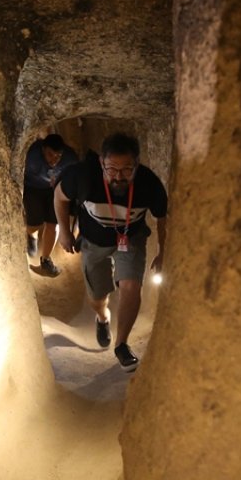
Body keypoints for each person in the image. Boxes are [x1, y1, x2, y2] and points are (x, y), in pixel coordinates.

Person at [55, 133, 167, 372]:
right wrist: (64, 232)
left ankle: (121, 345)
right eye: (111, 169)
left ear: (137, 164)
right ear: (101, 164)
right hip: (94, 241)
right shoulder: (84, 176)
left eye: (127, 169)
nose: (118, 176)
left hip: (131, 238)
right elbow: (59, 197)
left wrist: (162, 251)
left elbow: (162, 218)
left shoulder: (149, 184)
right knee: (97, 297)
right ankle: (103, 318)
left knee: (131, 285)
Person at [23, 134, 77, 276]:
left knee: (54, 223)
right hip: (33, 188)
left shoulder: (70, 159)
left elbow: (75, 178)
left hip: (55, 190)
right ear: (43, 150)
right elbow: (20, 175)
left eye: (58, 156)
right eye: (50, 155)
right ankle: (32, 236)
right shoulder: (32, 157)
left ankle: (45, 261)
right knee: (34, 224)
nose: (54, 160)